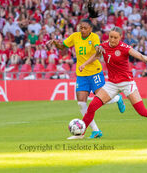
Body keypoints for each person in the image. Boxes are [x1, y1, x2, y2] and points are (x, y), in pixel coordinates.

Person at [79, 26, 147, 138]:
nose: (112, 40)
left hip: (127, 83)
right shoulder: (103, 46)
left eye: (115, 37)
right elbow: (96, 56)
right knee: (92, 106)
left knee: (142, 112)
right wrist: (84, 64)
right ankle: (81, 131)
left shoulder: (124, 47)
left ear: (120, 37)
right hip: (112, 84)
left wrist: (145, 58)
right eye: (111, 37)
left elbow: (137, 54)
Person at [47, 3, 125, 139]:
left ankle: (117, 98)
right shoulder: (75, 36)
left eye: (85, 28)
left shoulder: (94, 37)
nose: (82, 30)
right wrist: (55, 43)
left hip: (94, 72)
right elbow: (63, 46)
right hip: (81, 75)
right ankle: (95, 130)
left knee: (101, 99)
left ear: (90, 29)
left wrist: (99, 49)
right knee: (81, 102)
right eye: (80, 27)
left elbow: (97, 50)